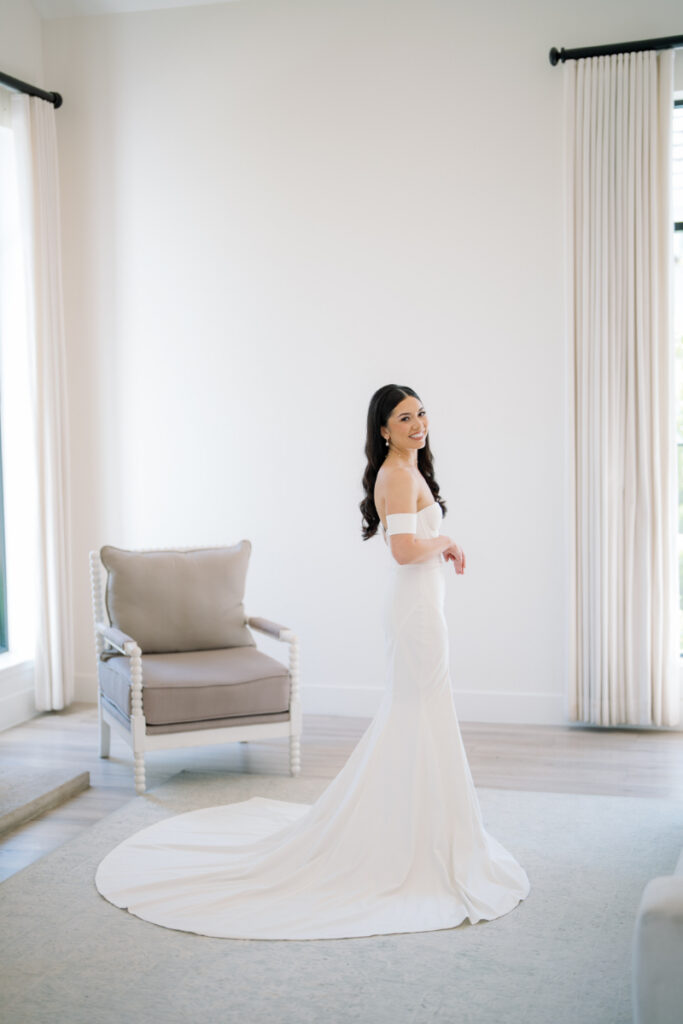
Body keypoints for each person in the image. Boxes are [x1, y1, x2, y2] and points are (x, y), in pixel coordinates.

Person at [94, 384, 530, 940]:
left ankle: (426, 830)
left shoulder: (411, 468)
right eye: (405, 417)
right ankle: (412, 839)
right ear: (383, 429)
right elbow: (400, 551)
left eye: (422, 413)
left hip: (424, 606)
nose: (419, 424)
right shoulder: (395, 476)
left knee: (422, 716)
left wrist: (439, 540)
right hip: (416, 611)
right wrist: (444, 540)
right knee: (417, 714)